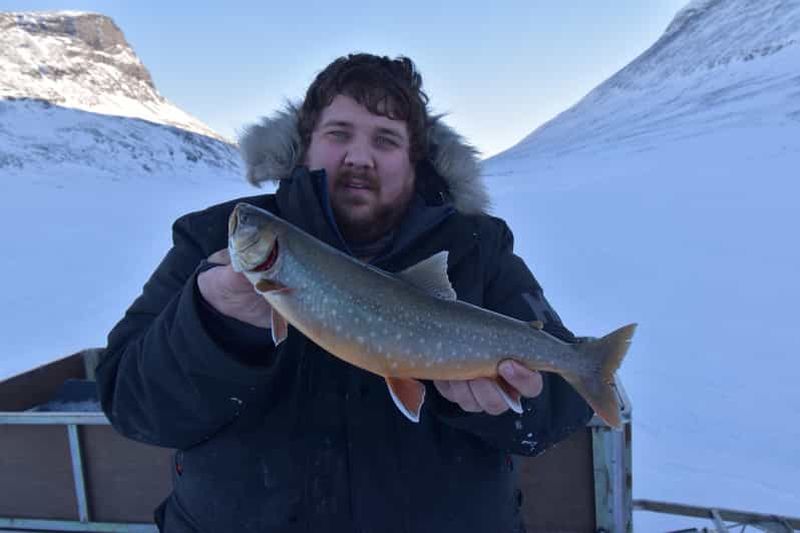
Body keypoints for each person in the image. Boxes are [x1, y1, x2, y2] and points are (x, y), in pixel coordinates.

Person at [96, 53, 593, 533]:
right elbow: (132, 405)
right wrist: (212, 324)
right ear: (304, 146)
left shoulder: (477, 249)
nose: (360, 157)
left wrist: (506, 402)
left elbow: (562, 404)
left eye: (386, 139)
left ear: (415, 160)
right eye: (339, 134)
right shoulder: (210, 241)